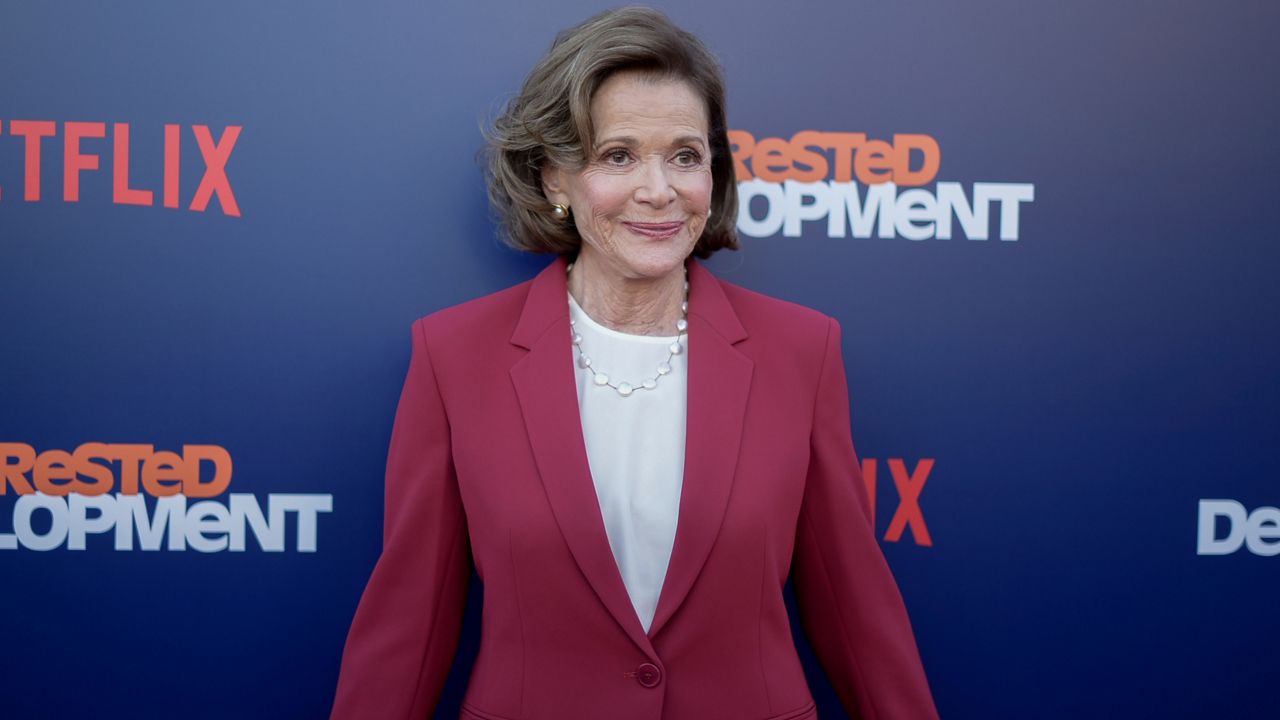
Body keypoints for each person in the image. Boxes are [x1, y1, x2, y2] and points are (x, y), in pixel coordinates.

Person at [331, 7, 938, 719]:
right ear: (555, 176)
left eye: (685, 155)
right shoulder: (453, 357)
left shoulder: (802, 352)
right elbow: (413, 619)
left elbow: (854, 609)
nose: (659, 189)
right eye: (618, 155)